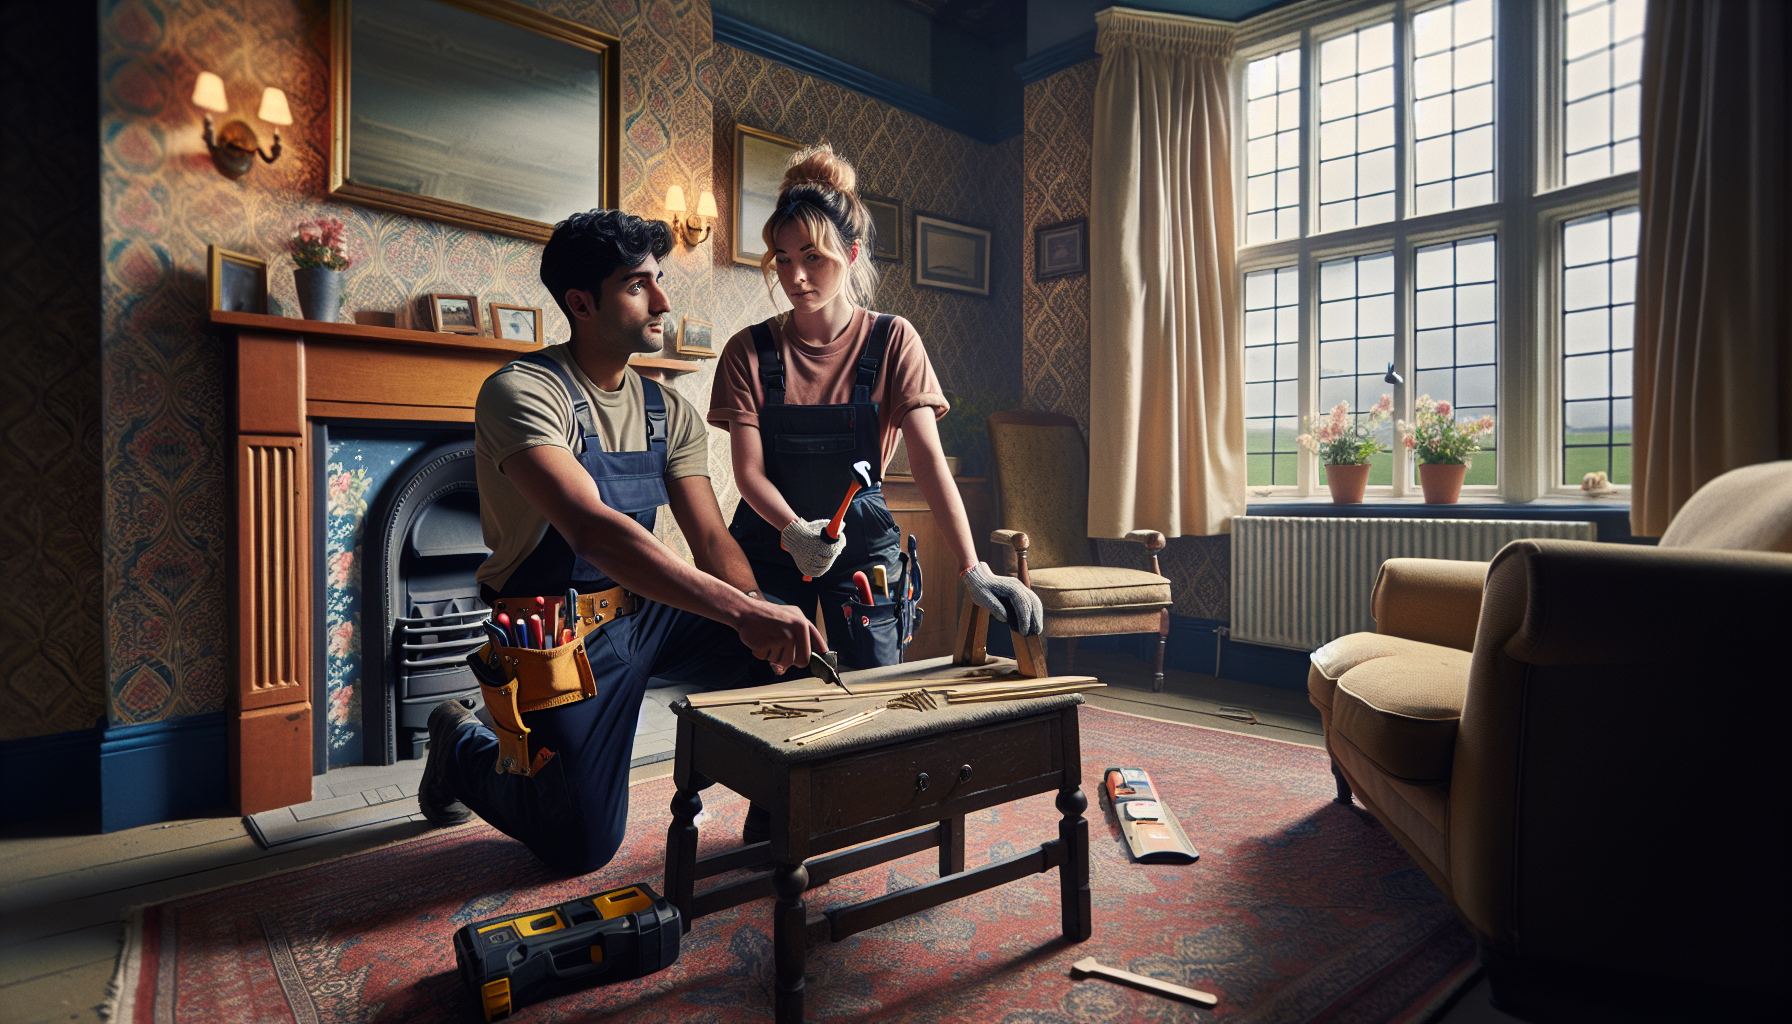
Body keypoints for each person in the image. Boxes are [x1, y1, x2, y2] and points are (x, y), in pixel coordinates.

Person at [418, 209, 825, 875]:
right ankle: (460, 744)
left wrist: (761, 613)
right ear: (582, 302)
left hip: (647, 612)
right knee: (580, 845)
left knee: (793, 641)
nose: (663, 300)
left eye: (659, 280)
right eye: (639, 285)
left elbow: (711, 541)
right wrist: (743, 611)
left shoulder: (669, 408)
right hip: (559, 631)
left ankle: (774, 821)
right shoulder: (521, 393)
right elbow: (592, 530)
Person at [709, 144, 1043, 671]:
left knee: (875, 685)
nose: (795, 277)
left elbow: (930, 462)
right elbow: (748, 473)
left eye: (813, 258)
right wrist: (796, 530)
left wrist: (972, 568)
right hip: (769, 539)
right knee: (752, 687)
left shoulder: (893, 340)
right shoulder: (747, 351)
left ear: (853, 254)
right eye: (785, 259)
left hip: (862, 546)